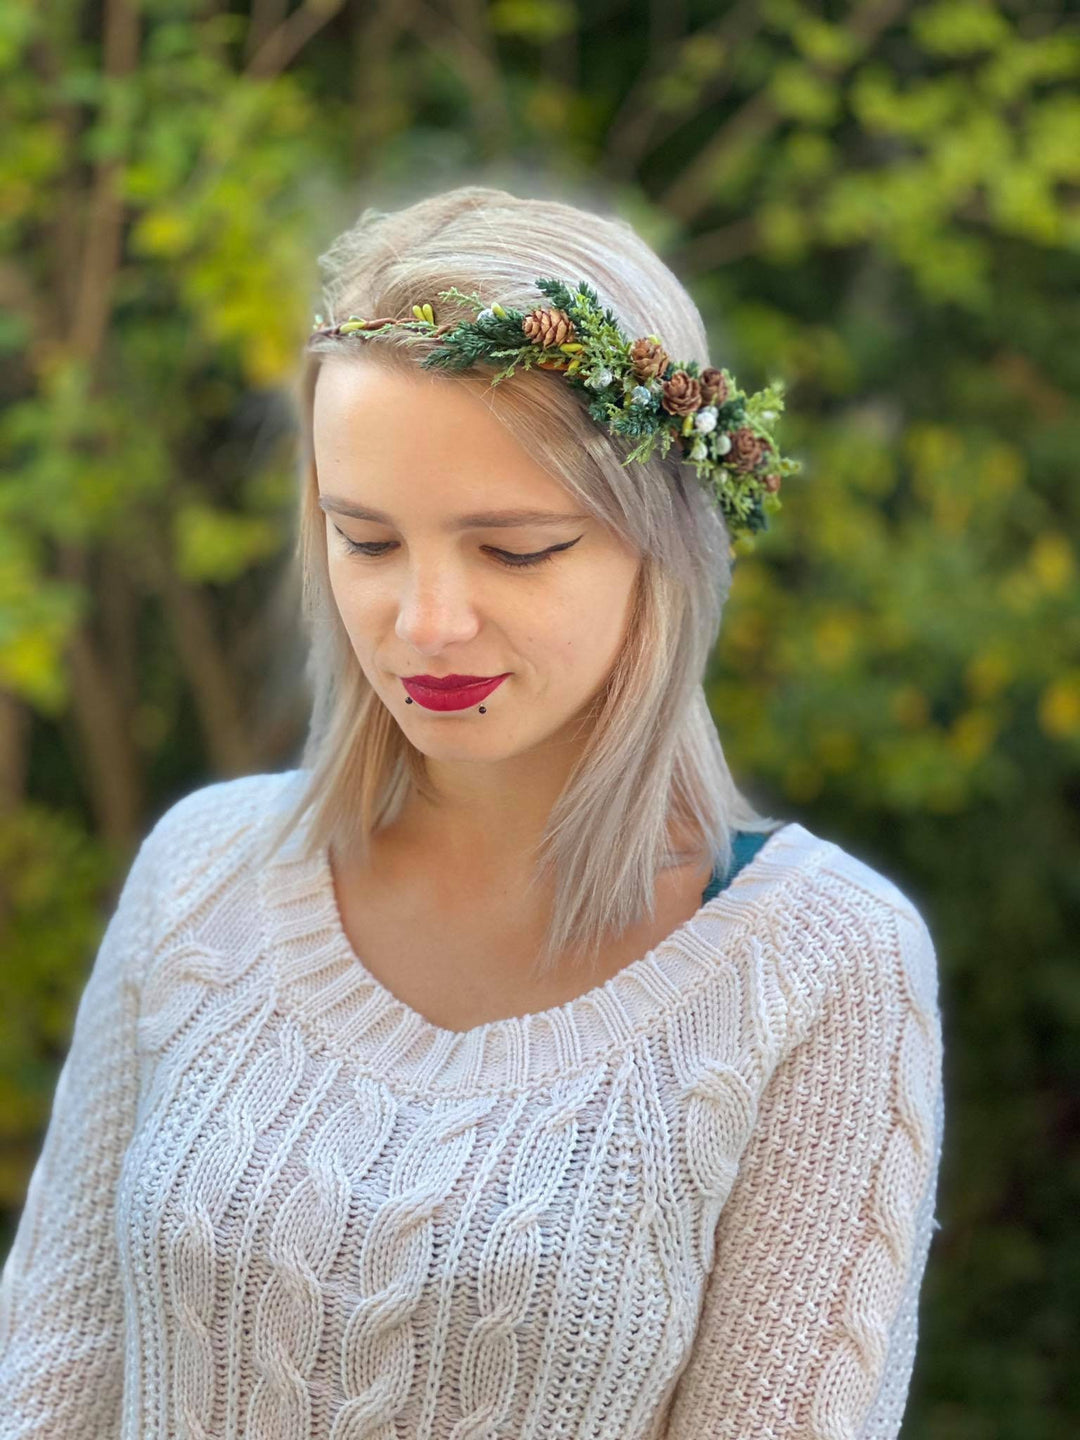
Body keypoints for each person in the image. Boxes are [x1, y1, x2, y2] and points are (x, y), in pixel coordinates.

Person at [0, 186, 945, 1439]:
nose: (427, 622)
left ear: (663, 546)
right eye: (367, 541)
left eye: (515, 549)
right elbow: (50, 1379)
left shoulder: (819, 965)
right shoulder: (202, 872)